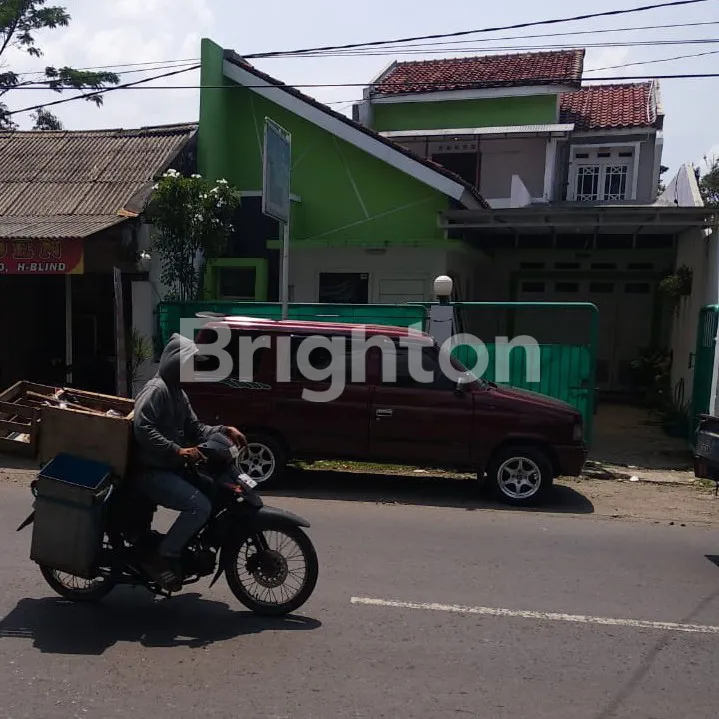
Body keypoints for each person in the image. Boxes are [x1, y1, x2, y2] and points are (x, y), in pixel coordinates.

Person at [132, 332, 246, 590]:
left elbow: (195, 429)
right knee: (199, 507)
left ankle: (189, 547)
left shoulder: (178, 394)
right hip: (151, 471)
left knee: (215, 492)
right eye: (189, 363)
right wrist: (177, 450)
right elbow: (142, 427)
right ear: (175, 363)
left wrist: (224, 430)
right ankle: (163, 555)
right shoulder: (157, 390)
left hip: (172, 467)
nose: (193, 370)